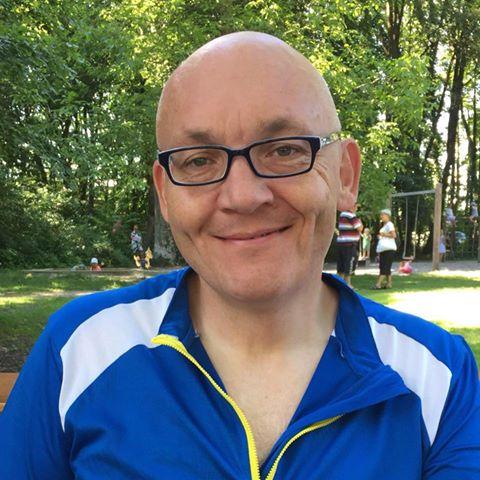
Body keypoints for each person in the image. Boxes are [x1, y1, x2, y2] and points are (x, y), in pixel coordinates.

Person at [1, 32, 479, 479]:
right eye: (199, 160)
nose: (243, 196)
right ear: (165, 193)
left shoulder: (436, 376)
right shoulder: (81, 349)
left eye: (284, 150)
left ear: (345, 176)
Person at [336, 203, 363, 287]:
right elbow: (360, 228)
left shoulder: (342, 215)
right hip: (350, 244)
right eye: (356, 207)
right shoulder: (351, 215)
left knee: (341, 266)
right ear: (352, 206)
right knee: (349, 264)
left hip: (341, 243)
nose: (356, 209)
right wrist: (360, 222)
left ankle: (339, 285)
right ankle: (348, 284)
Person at [374, 208, 397, 289]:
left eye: (382, 215)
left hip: (389, 249)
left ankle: (378, 284)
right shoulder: (384, 225)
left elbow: (394, 235)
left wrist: (383, 234)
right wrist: (381, 236)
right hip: (384, 249)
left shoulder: (390, 224)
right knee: (386, 267)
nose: (381, 216)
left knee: (384, 267)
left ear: (387, 216)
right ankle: (389, 284)